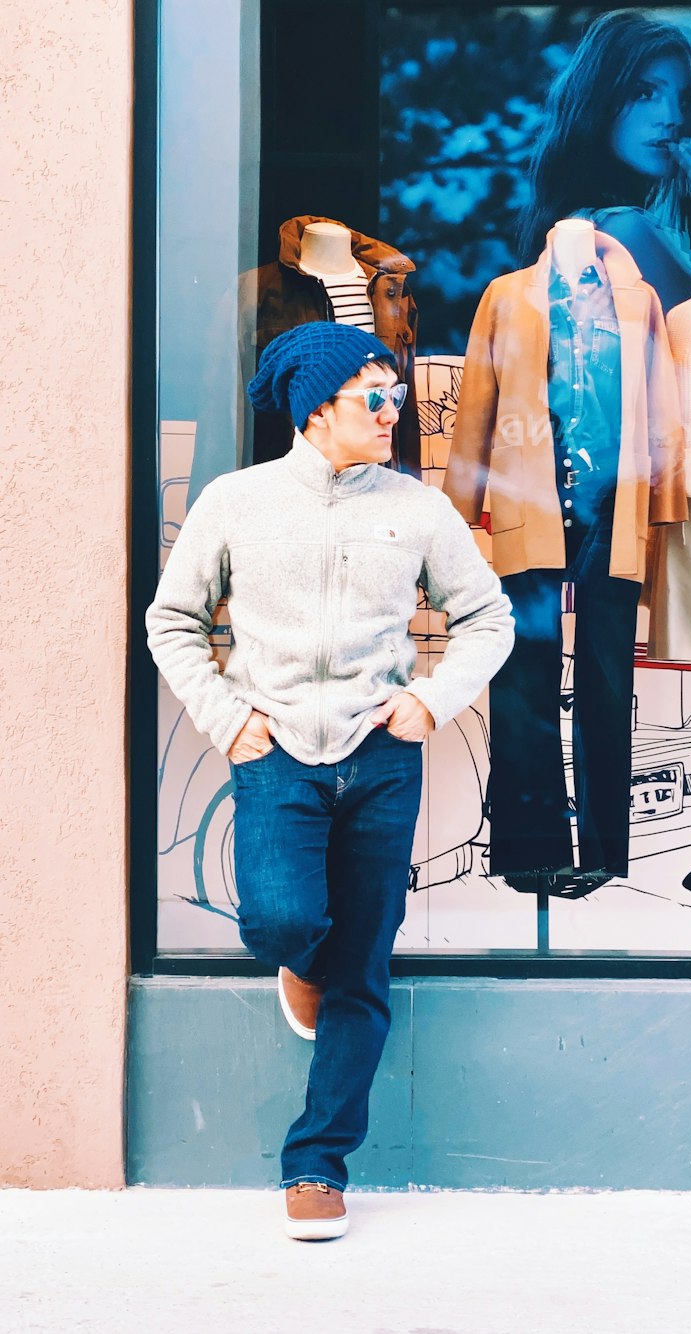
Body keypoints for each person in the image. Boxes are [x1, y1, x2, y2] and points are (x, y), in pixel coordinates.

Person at [146, 321, 514, 1241]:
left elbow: (488, 618)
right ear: (315, 409)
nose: (393, 413)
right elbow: (173, 620)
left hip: (382, 754)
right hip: (275, 754)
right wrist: (230, 721)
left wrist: (429, 704)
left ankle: (316, 1164)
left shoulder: (416, 508)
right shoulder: (236, 503)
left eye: (394, 396)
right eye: (373, 399)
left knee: (365, 967)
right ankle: (299, 961)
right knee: (282, 919)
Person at [519, 9, 691, 314]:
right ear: (598, 101)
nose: (674, 118)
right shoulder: (625, 230)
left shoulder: (587, 225)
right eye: (643, 93)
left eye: (687, 101)